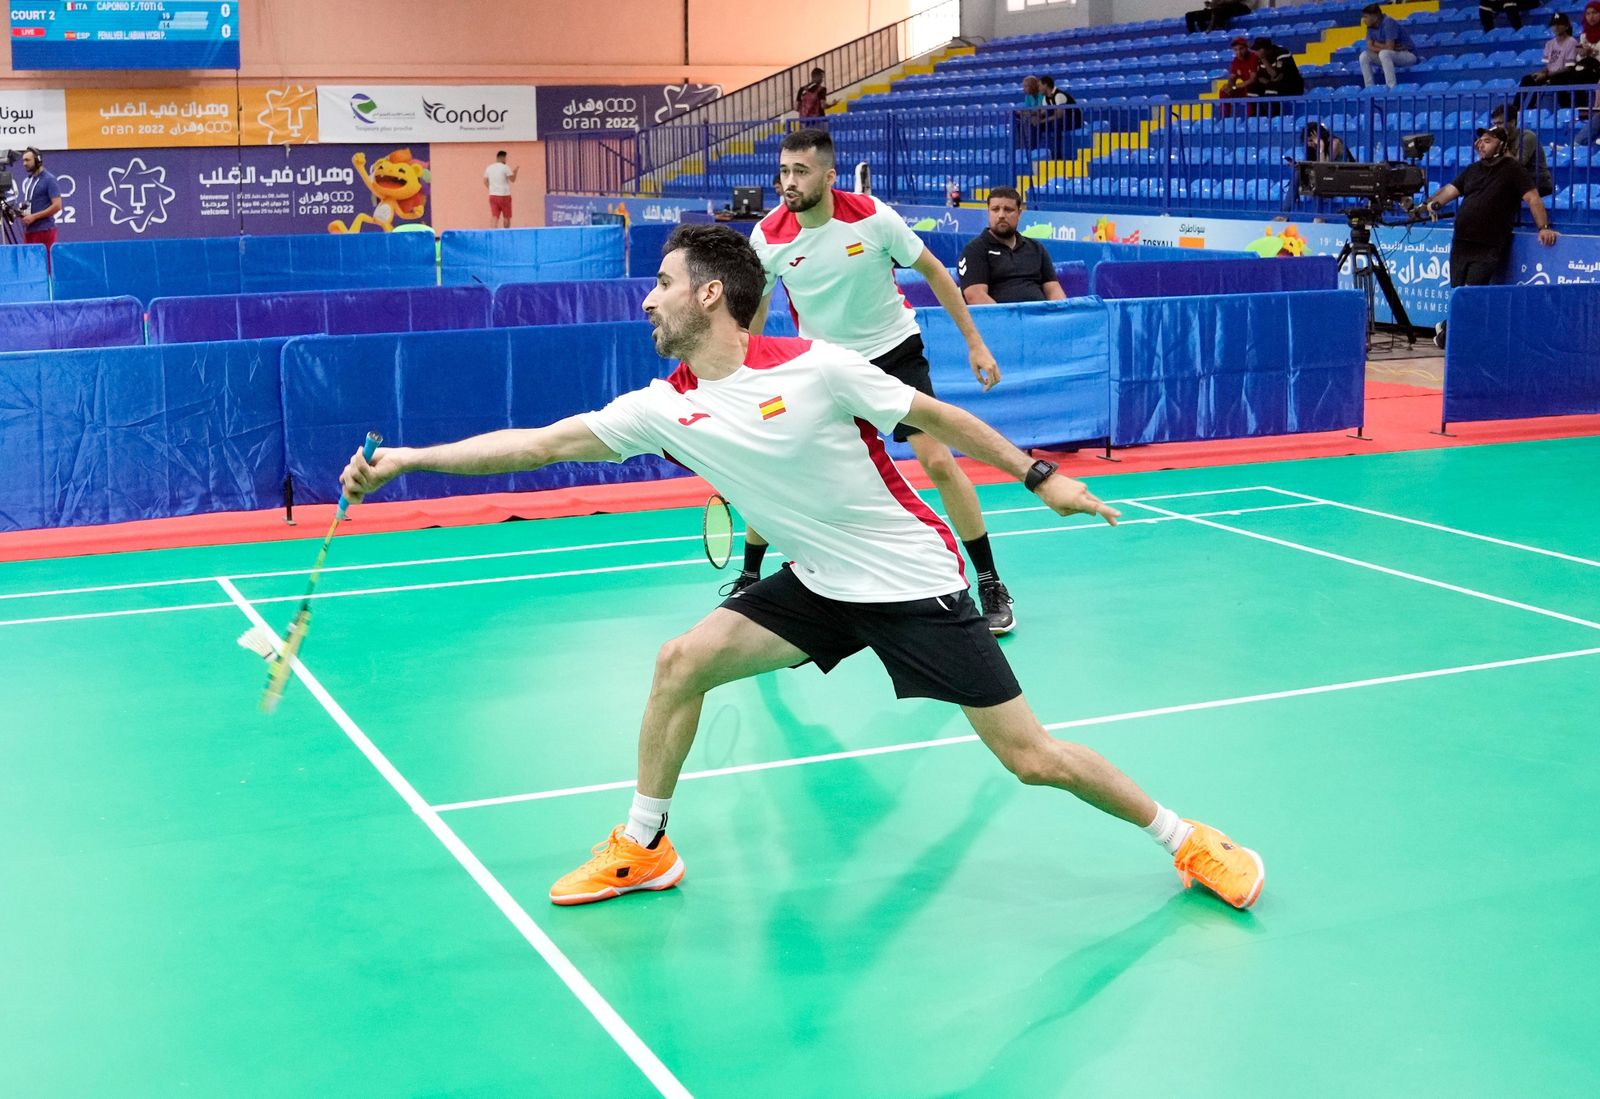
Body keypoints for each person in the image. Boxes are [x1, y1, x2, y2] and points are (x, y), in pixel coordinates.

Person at [337, 224, 1268, 913]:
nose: (647, 299)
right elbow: (539, 445)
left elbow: (937, 422)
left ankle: (1188, 840)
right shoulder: (665, 406)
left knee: (1031, 758)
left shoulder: (819, 368)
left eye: (663, 284)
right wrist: (411, 460)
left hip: (912, 583)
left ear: (710, 296)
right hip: (819, 581)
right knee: (680, 662)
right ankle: (645, 843)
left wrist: (1041, 477)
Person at [744, 129, 1020, 634]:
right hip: (823, 364)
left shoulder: (872, 215)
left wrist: (975, 343)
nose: (788, 182)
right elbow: (757, 309)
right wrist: (746, 376)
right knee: (785, 462)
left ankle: (989, 579)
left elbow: (936, 271)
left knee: (938, 461)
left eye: (800, 172)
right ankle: (748, 575)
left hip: (893, 351)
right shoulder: (767, 236)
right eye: (783, 171)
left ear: (828, 176)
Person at [1419, 125, 1558, 347]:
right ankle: (1447, 327)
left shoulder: (1513, 169)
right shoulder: (1473, 169)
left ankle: (1446, 338)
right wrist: (1431, 204)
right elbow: (1450, 190)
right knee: (1457, 292)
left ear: (1502, 145)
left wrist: (1543, 227)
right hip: (1462, 241)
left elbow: (1533, 198)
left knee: (1471, 294)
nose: (1480, 144)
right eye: (1480, 140)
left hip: (1488, 243)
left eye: (1487, 140)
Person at [958, 187, 1066, 305]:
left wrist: (1059, 313)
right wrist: (1007, 320)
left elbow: (1053, 290)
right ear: (988, 212)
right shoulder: (975, 250)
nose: (1001, 215)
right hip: (1002, 320)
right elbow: (975, 296)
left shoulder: (1036, 248)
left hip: (1040, 318)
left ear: (1019, 213)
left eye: (1008, 210)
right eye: (995, 209)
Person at [1491, 102, 1553, 197]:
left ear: (1512, 122)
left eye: (1499, 123)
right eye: (1494, 124)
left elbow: (1519, 165)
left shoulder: (1527, 136)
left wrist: (1503, 149)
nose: (1496, 127)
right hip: (1517, 181)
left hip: (1538, 182)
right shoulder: (1499, 138)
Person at [1519, 13, 1581, 101]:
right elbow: (1547, 66)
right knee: (1527, 79)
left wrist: (1547, 75)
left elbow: (1569, 68)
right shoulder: (1549, 44)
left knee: (1557, 80)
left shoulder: (1572, 42)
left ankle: (1566, 108)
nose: (1556, 27)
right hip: (1550, 74)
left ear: (1566, 26)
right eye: (1554, 24)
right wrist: (1541, 73)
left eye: (1559, 24)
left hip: (1564, 75)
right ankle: (1517, 109)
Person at [17, 147, 62, 267]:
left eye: (27, 160)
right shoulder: (28, 181)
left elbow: (57, 206)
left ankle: (49, 286)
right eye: (23, 160)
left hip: (45, 230)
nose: (24, 163)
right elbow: (30, 203)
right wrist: (20, 214)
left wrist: (34, 217)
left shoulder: (49, 179)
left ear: (38, 160)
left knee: (46, 265)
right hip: (30, 230)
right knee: (32, 266)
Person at [1358, 4, 1420, 90]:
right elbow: (1369, 47)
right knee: (1364, 56)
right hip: (1392, 55)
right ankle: (1369, 88)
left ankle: (1391, 87)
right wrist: (1382, 46)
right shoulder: (1370, 27)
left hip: (1408, 55)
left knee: (1384, 53)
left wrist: (1376, 44)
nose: (1364, 20)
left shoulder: (1388, 22)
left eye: (1366, 17)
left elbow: (1389, 47)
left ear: (1375, 17)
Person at [1218, 37, 1262, 102]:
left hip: (1257, 87)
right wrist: (1229, 86)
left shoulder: (1254, 57)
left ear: (1247, 48)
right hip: (1245, 88)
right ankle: (1224, 112)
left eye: (1241, 49)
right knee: (1223, 92)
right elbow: (1232, 77)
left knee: (1250, 90)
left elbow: (1253, 80)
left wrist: (1235, 87)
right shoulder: (1235, 61)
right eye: (1236, 50)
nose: (1239, 52)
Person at [483, 150, 518, 229]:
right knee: (506, 216)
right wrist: (515, 172)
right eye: (505, 158)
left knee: (495, 216)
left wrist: (492, 189)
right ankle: (506, 233)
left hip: (493, 195)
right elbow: (512, 179)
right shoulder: (505, 167)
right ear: (502, 157)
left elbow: (485, 181)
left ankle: (493, 233)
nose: (506, 160)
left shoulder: (489, 167)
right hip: (504, 195)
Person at [1185, 0, 1251, 34]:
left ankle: (1214, 31)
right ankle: (1196, 34)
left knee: (1218, 10)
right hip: (1223, 8)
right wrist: (1212, 3)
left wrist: (1221, 2)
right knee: (1191, 15)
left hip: (1242, 7)